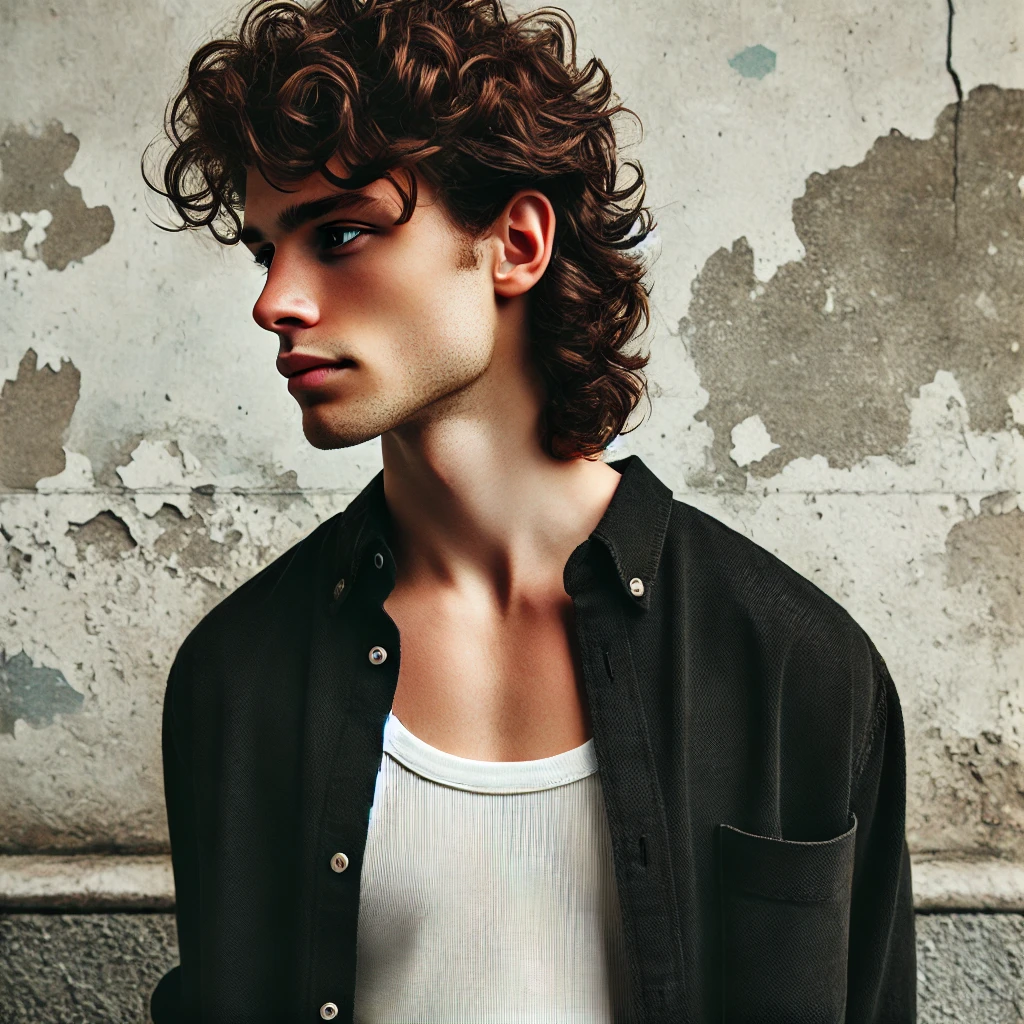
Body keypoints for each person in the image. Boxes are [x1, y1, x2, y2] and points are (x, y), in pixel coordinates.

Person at [144, 0, 916, 1021]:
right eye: (264, 250)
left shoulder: (798, 670)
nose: (275, 299)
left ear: (514, 241)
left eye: (339, 234)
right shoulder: (238, 677)